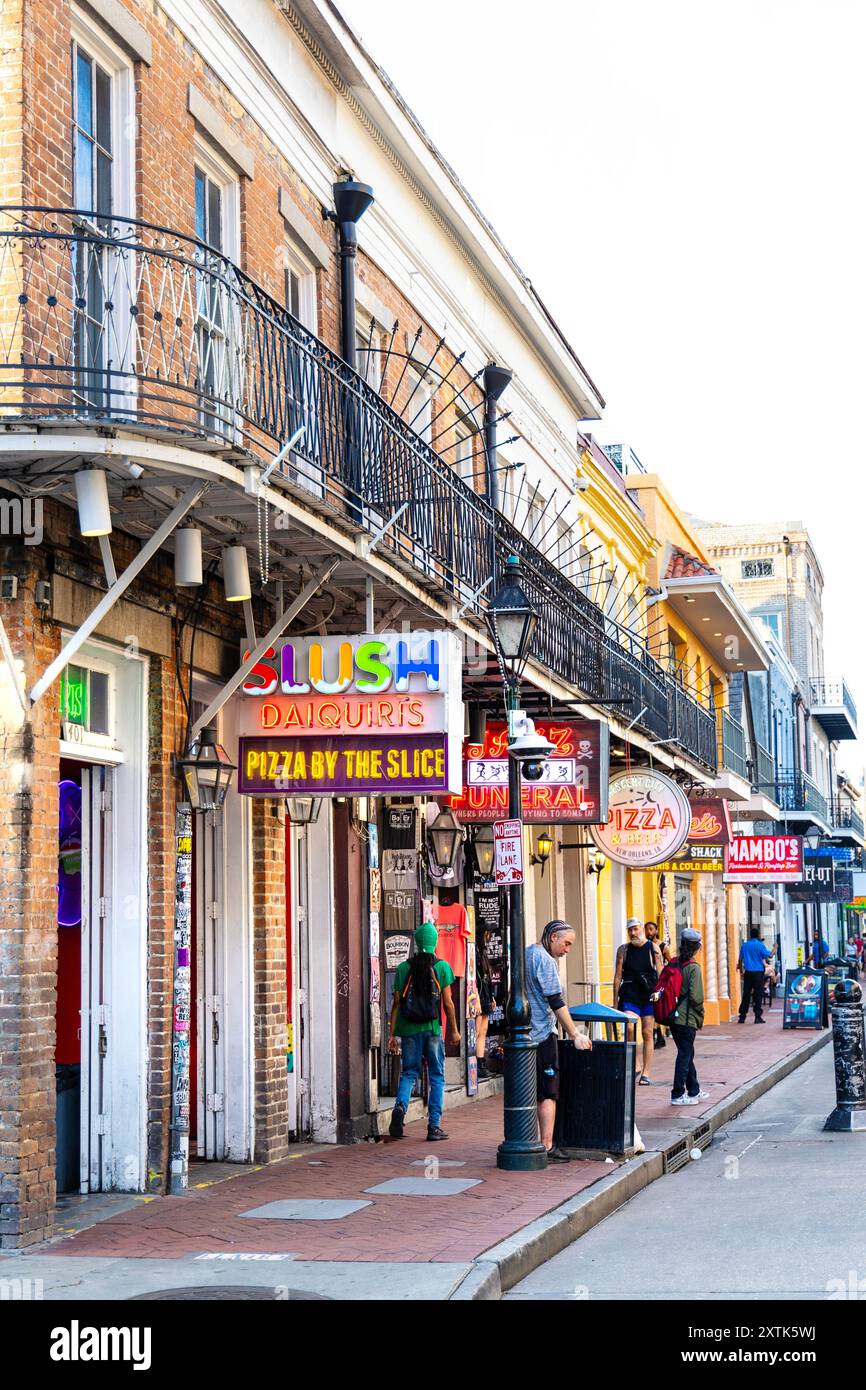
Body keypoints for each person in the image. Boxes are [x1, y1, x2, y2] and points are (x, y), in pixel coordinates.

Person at [387, 922, 461, 1141]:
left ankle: (400, 1108)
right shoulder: (442, 967)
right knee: (437, 1076)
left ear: (417, 943)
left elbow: (397, 1003)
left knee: (409, 1073)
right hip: (432, 1028)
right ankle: (434, 1126)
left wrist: (392, 1034)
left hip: (408, 1029)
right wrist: (455, 1030)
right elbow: (448, 1004)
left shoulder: (403, 968)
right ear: (434, 942)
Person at [525, 920, 592, 1162]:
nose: (567, 949)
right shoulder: (545, 961)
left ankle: (531, 1141)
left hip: (524, 1035)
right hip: (542, 1033)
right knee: (548, 1091)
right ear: (553, 937)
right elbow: (556, 1001)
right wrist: (575, 1034)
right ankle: (547, 1145)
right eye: (566, 943)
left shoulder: (527, 953)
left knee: (530, 1090)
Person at [613, 918, 662, 1084]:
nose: (633, 933)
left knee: (647, 1033)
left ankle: (646, 1073)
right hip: (630, 994)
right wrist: (614, 1002)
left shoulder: (653, 948)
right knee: (630, 1029)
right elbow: (617, 976)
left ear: (641, 929)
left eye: (636, 929)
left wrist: (660, 994)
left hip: (648, 995)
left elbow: (661, 975)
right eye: (630, 930)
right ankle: (636, 1064)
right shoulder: (623, 950)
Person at [667, 927, 708, 1106]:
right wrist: (701, 1012)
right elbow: (696, 997)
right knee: (685, 1055)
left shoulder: (674, 963)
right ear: (696, 947)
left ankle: (694, 1090)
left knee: (687, 1052)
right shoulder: (693, 967)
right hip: (687, 1019)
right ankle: (677, 1094)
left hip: (673, 1016)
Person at [737, 927, 774, 1023]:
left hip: (748, 973)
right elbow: (770, 955)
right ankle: (757, 1017)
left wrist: (741, 971)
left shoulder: (744, 946)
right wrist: (775, 948)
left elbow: (740, 959)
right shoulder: (760, 945)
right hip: (758, 973)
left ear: (750, 935)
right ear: (758, 936)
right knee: (758, 994)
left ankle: (742, 1016)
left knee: (746, 994)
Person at [645, 921, 670, 1050]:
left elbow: (670, 963)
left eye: (651, 929)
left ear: (655, 931)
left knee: (656, 1009)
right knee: (653, 1009)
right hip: (649, 982)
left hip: (660, 981)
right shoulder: (645, 946)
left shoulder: (662, 946)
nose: (648, 932)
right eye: (646, 929)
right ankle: (659, 1037)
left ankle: (659, 1036)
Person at [472, 943, 494, 1080]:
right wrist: (477, 999)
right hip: (478, 993)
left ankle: (481, 1062)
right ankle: (476, 1063)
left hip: (485, 993)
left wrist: (491, 996)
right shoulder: (474, 951)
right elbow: (473, 977)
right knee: (478, 1030)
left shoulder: (483, 951)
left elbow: (487, 977)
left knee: (483, 1030)